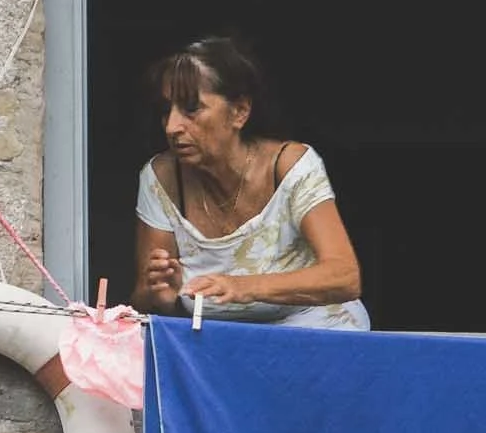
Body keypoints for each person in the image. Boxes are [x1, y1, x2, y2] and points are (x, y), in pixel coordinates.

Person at [129, 37, 369, 330]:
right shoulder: (161, 178)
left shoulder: (289, 165)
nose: (172, 126)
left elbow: (344, 276)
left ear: (240, 112)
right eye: (167, 110)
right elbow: (144, 300)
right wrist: (164, 299)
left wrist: (243, 287)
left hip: (312, 326)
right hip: (212, 339)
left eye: (191, 109)